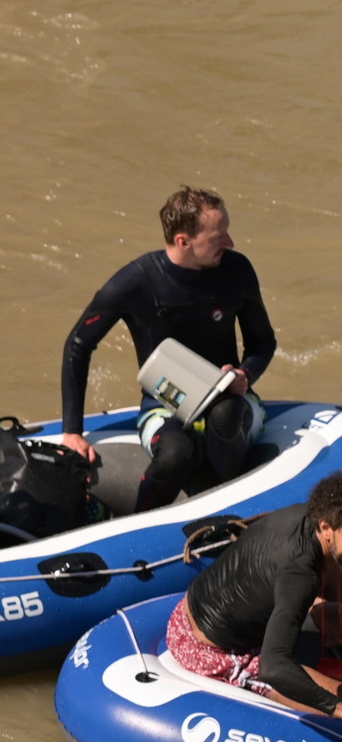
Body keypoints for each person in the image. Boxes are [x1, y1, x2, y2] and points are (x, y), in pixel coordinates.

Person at [58, 186, 277, 512]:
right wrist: (72, 432)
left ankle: (226, 513)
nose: (229, 243)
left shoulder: (236, 271)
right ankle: (134, 527)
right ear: (183, 241)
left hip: (233, 400)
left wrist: (245, 374)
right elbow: (78, 344)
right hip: (165, 407)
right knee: (175, 454)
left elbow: (262, 341)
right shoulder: (136, 283)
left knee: (226, 415)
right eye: (218, 238)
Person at [168, 471, 342, 715]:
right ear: (326, 528)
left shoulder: (312, 515)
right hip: (211, 651)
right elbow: (274, 668)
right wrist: (334, 707)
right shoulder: (301, 572)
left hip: (200, 608)